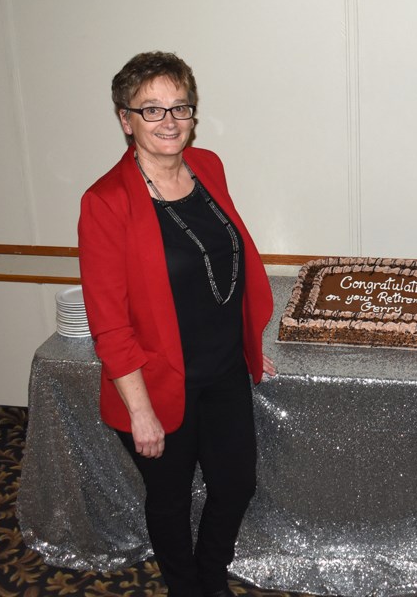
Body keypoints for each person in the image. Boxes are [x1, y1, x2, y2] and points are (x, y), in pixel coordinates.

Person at [78, 51, 275, 597]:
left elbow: (226, 264)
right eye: (151, 110)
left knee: (236, 486)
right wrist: (140, 411)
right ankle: (186, 588)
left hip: (223, 370)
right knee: (169, 501)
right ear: (125, 120)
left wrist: (249, 342)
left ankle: (210, 576)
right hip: (157, 383)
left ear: (193, 113)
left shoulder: (207, 166)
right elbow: (110, 325)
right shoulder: (105, 202)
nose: (169, 122)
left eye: (179, 107)